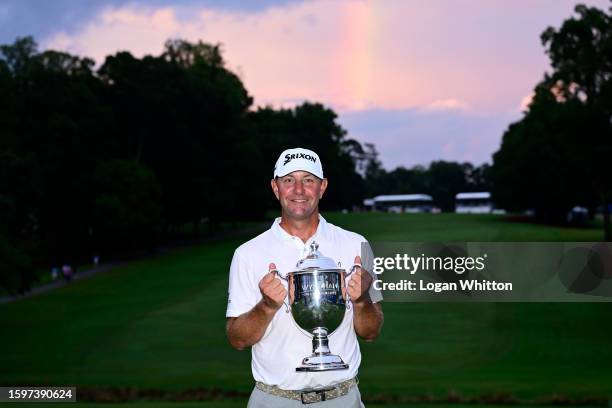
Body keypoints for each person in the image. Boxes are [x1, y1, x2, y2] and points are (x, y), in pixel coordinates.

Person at [226, 147, 384, 407]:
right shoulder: (248, 253)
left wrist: (362, 300)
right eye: (289, 180)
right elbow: (238, 339)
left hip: (341, 398)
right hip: (275, 399)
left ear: (322, 187)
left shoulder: (357, 245)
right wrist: (266, 306)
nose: (298, 190)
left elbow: (371, 332)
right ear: (276, 188)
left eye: (308, 180)